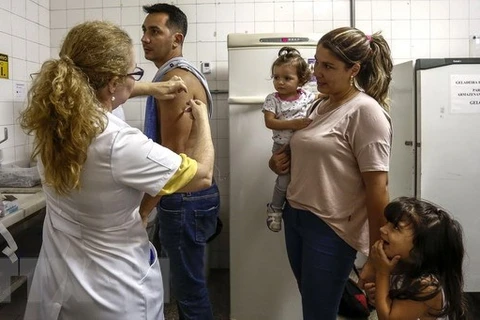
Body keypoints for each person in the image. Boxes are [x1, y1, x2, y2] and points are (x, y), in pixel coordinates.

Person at [19, 20, 215, 320]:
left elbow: (108, 89)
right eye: (132, 75)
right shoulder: (118, 141)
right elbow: (201, 175)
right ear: (112, 82)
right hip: (111, 291)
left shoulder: (52, 121)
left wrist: (152, 87)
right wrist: (202, 122)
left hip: (59, 279)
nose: (134, 81)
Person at [269, 27, 393, 319]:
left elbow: (378, 189)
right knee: (314, 304)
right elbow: (300, 156)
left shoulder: (365, 112)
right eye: (316, 63)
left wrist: (376, 255)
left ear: (354, 69)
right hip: (296, 215)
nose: (317, 73)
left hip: (331, 228)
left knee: (318, 311)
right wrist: (275, 164)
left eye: (328, 66)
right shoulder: (318, 104)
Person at [139, 3, 220, 319]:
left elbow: (172, 157)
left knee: (189, 292)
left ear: (177, 38)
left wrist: (145, 209)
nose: (145, 38)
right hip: (191, 197)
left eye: (154, 31)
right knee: (188, 286)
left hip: (185, 199)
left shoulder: (175, 79)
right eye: (144, 31)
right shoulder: (171, 75)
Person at [368, 197, 467, 320]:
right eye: (387, 223)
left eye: (396, 228)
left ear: (420, 249)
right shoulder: (402, 265)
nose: (382, 229)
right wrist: (379, 296)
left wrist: (382, 272)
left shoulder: (427, 285)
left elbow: (388, 318)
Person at [262, 46, 315, 232]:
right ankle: (275, 209)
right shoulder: (272, 99)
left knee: (302, 180)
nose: (280, 82)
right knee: (283, 182)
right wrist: (295, 124)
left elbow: (321, 104)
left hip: (303, 148)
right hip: (282, 148)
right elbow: (270, 122)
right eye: (276, 77)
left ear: (301, 79)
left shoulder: (308, 96)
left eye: (287, 78)